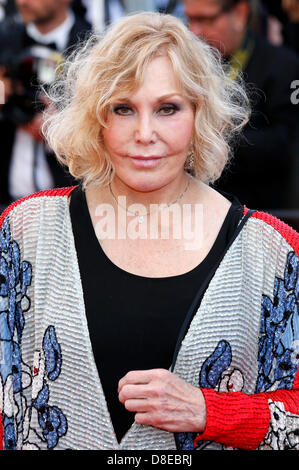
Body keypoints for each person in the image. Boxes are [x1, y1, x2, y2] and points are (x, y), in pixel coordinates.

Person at [0, 12, 298, 451]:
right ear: (95, 119)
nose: (144, 134)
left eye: (167, 108)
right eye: (123, 108)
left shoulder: (271, 252)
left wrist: (209, 411)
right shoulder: (26, 232)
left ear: (200, 115)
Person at [183, 0, 299, 211]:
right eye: (189, 19)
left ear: (240, 13)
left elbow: (285, 146)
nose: (194, 31)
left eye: (205, 20)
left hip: (260, 210)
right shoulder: (183, 68)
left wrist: (210, 138)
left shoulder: (285, 67)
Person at [0, 0, 91, 211]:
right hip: (6, 202)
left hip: (69, 207)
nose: (22, 1)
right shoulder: (4, 39)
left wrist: (59, 129)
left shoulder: (93, 48)